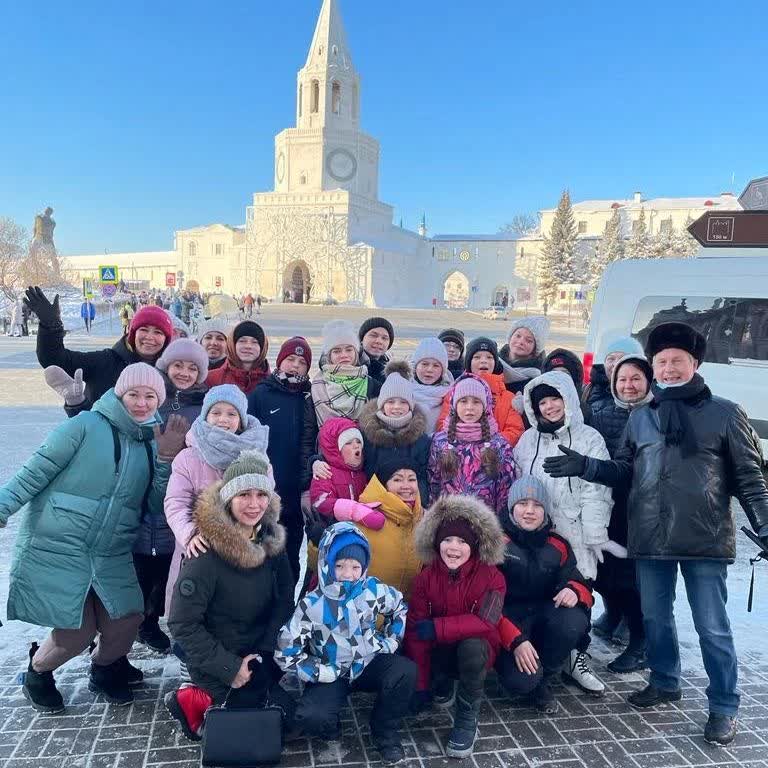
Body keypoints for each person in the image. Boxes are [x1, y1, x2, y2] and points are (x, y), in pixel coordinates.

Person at [542, 322, 768, 745]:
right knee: (655, 618)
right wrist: (587, 466)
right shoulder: (642, 417)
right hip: (650, 537)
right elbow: (625, 471)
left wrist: (765, 525)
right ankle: (665, 680)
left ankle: (724, 705)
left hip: (704, 538)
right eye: (661, 362)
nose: (668, 369)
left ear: (695, 363)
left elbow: (750, 478)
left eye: (676, 361)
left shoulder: (725, 413)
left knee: (712, 627)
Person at [0, 363, 177, 712]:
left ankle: (103, 669)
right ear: (120, 394)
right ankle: (38, 672)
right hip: (61, 544)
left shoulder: (150, 442)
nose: (142, 403)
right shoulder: (84, 425)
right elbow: (34, 472)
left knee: (128, 619)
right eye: (134, 394)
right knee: (76, 633)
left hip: (112, 551)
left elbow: (156, 504)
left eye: (150, 396)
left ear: (159, 401)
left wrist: (165, 460)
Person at [165, 450, 295, 740]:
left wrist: (266, 649)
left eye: (261, 495)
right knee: (255, 735)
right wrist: (231, 668)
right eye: (243, 495)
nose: (254, 504)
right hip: (218, 659)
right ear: (228, 499)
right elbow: (182, 624)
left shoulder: (269, 539)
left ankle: (241, 696)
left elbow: (285, 595)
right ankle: (193, 700)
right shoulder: (205, 553)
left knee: (290, 723)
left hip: (258, 649)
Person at [275, 522, 416, 765]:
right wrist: (318, 671)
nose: (348, 574)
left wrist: (390, 641)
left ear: (364, 567)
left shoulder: (372, 590)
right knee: (312, 716)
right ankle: (330, 723)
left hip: (367, 662)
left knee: (405, 671)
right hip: (332, 671)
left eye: (355, 567)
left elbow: (399, 607)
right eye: (339, 566)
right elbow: (286, 652)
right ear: (327, 564)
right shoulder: (312, 605)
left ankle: (384, 732)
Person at [513, 371, 613, 696]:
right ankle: (545, 655)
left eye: (554, 398)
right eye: (542, 401)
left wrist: (594, 534)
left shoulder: (589, 438)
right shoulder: (528, 440)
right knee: (542, 595)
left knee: (577, 594)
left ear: (567, 399)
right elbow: (516, 483)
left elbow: (598, 492)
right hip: (536, 534)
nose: (549, 406)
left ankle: (576, 655)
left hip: (576, 532)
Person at [405, 495, 505, 758]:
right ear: (437, 543)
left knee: (472, 647)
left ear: (474, 546)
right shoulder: (425, 578)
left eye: (462, 542)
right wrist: (420, 684)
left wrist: (438, 627)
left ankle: (467, 717)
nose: (453, 547)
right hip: (442, 649)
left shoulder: (493, 577)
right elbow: (416, 630)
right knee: (421, 642)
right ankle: (441, 682)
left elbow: (488, 620)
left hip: (478, 650)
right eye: (447, 539)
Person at [127, 340, 208, 653]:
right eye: (178, 365)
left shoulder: (203, 407)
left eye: (192, 368)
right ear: (166, 366)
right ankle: (140, 622)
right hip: (143, 488)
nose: (184, 373)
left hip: (183, 491)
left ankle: (157, 617)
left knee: (168, 561)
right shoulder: (151, 399)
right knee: (142, 560)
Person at [164, 386, 270, 615]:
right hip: (200, 546)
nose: (223, 419)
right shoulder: (188, 458)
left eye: (232, 413)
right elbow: (175, 502)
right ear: (205, 415)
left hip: (242, 546)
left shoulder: (258, 456)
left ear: (241, 420)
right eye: (216, 412)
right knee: (194, 610)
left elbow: (268, 500)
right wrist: (189, 534)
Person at [495, 476, 593, 714]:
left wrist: (573, 589)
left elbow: (580, 583)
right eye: (522, 503)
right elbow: (483, 601)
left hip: (544, 619)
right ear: (511, 507)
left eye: (537, 505)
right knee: (521, 683)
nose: (530, 511)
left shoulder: (558, 544)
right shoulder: (495, 542)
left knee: (574, 619)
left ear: (545, 511)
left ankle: (544, 678)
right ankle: (523, 676)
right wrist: (514, 640)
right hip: (506, 625)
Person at [589, 354, 653, 672]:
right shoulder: (602, 411)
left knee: (633, 579)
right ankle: (613, 615)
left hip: (644, 509)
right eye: (622, 379)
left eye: (636, 379)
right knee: (606, 570)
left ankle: (641, 642)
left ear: (649, 381)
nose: (628, 385)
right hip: (610, 503)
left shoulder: (658, 414)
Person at [26, 288, 173, 412]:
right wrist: (51, 325)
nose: (150, 337)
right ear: (133, 333)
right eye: (144, 330)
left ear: (166, 339)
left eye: (158, 332)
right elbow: (54, 359)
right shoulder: (105, 362)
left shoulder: (173, 372)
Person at [248, 337, 312, 585]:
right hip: (265, 494)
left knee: (290, 557)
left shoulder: (309, 396)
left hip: (296, 496)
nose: (295, 365)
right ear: (279, 362)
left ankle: (286, 605)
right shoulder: (262, 394)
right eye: (290, 359)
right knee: (259, 555)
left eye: (301, 362)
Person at [299, 320, 381, 487]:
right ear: (329, 356)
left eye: (349, 349)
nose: (344, 355)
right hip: (327, 470)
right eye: (337, 351)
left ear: (356, 353)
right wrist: (312, 463)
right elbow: (308, 436)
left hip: (365, 469)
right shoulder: (317, 388)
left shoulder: (372, 386)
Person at [430, 374, 516, 516]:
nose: (469, 408)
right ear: (454, 405)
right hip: (448, 522)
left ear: (485, 406)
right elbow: (433, 486)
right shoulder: (440, 441)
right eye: (463, 401)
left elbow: (505, 490)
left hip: (486, 522)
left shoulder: (499, 444)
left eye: (476, 402)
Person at [358, 362, 432, 504]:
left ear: (410, 405)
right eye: (391, 402)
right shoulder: (367, 435)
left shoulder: (421, 439)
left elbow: (422, 477)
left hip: (409, 502)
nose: (397, 407)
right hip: (375, 503)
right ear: (381, 405)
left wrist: (420, 505)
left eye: (403, 402)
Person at [435, 338, 525, 446]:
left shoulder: (508, 397)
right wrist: (465, 447)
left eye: (489, 357)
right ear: (469, 362)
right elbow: (443, 425)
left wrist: (489, 447)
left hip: (493, 454)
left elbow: (515, 431)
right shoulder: (454, 393)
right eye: (477, 357)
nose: (483, 361)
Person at [357, 459, 424, 598]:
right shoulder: (365, 516)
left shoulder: (424, 520)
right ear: (384, 486)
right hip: (369, 606)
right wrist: (316, 545)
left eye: (412, 479)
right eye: (397, 480)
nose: (406, 486)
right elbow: (333, 564)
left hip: (407, 608)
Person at [309, 418, 376, 526]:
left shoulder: (364, 473)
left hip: (363, 529)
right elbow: (319, 502)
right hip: (336, 529)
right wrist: (349, 509)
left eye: (359, 441)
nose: (356, 445)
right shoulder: (325, 472)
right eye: (348, 443)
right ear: (336, 450)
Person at [582, 335, 644, 419]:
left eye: (622, 359)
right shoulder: (589, 388)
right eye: (611, 359)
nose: (615, 364)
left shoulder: (644, 395)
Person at [205, 319, 269, 395]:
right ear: (232, 345)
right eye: (242, 341)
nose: (248, 346)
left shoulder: (271, 383)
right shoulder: (211, 379)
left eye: (255, 342)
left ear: (262, 348)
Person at [410, 337, 454, 435]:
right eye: (425, 364)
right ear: (415, 366)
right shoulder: (400, 389)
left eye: (436, 366)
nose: (429, 369)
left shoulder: (452, 396)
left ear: (443, 370)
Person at [499, 316, 549, 394]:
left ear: (535, 348)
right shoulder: (492, 362)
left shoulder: (539, 378)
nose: (521, 342)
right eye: (518, 336)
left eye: (528, 340)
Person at [359, 316, 395, 384]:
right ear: (362, 339)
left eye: (384, 338)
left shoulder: (392, 372)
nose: (379, 341)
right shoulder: (350, 364)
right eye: (373, 335)